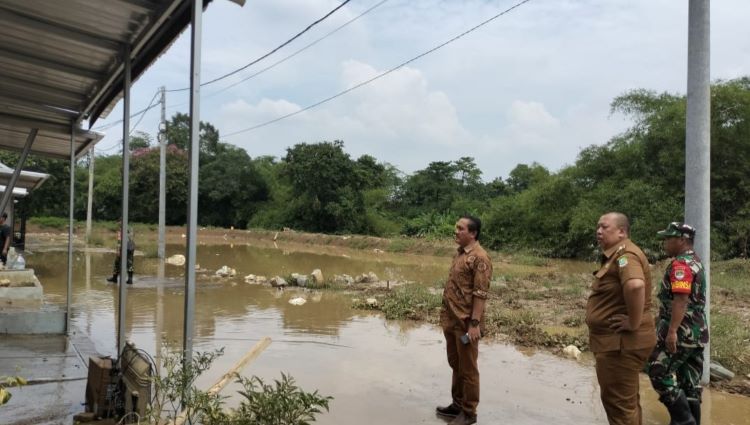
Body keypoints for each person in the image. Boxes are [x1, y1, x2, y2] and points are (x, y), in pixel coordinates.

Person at [586, 212, 657, 425]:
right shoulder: (618, 254)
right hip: (616, 344)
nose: (599, 231)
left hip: (620, 345)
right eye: (597, 227)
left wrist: (633, 322)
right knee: (627, 403)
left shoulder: (626, 255)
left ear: (622, 232)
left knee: (619, 407)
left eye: (604, 227)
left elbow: (635, 285)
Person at [647, 222, 707, 425]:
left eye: (668, 238)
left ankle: (683, 421)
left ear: (682, 240)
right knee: (689, 381)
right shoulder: (696, 261)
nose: (665, 243)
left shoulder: (680, 265)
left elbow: (680, 299)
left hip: (682, 330)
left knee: (657, 370)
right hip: (698, 331)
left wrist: (672, 331)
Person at [436, 215, 492, 425]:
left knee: (468, 369)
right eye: (456, 227)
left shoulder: (480, 258)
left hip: (467, 323)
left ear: (473, 233)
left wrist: (475, 324)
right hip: (451, 320)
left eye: (461, 228)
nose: (456, 231)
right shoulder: (461, 254)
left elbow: (480, 293)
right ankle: (457, 405)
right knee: (456, 364)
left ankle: (469, 413)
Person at [107, 220, 135, 284]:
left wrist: (118, 250)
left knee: (117, 262)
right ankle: (130, 280)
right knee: (130, 263)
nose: (117, 223)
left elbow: (119, 240)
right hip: (131, 247)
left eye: (118, 222)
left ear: (121, 222)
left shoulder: (121, 229)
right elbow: (132, 237)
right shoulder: (130, 228)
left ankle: (114, 278)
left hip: (124, 247)